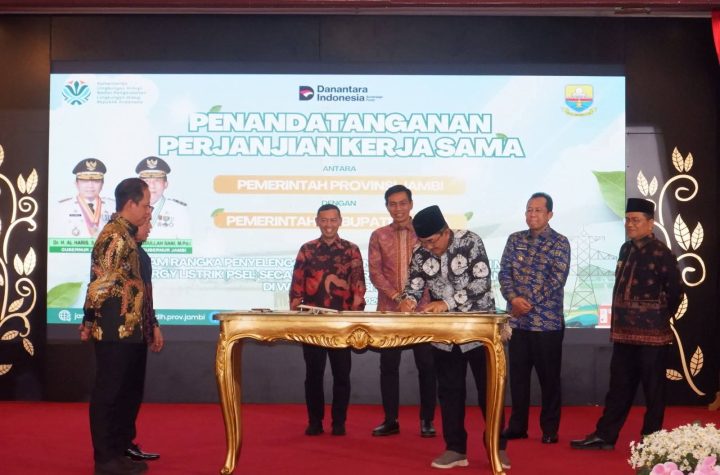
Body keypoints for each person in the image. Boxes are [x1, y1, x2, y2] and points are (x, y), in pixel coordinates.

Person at [397, 205, 509, 470]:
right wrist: (408, 300)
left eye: (432, 241)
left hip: (479, 329)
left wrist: (446, 303)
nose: (428, 247)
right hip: (445, 333)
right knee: (449, 391)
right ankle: (455, 449)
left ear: (445, 231)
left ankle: (497, 447)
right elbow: (414, 285)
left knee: (489, 390)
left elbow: (481, 283)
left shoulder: (470, 241)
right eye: (423, 242)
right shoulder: (420, 251)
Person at [570, 198, 683, 450]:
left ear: (650, 223)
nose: (630, 224)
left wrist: (659, 317)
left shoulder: (661, 252)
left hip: (653, 337)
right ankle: (605, 436)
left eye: (636, 220)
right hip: (623, 334)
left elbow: (676, 291)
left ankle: (652, 441)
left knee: (654, 390)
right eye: (628, 219)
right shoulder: (625, 249)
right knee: (618, 387)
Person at [79, 177, 154, 475]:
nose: (148, 211)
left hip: (130, 329)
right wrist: (88, 319)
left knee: (124, 393)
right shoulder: (114, 236)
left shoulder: (128, 235)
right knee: (108, 394)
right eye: (146, 205)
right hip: (113, 329)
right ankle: (105, 459)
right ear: (131, 203)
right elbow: (99, 285)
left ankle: (117, 451)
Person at [499, 192, 570, 444]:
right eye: (529, 210)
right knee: (518, 379)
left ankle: (549, 429)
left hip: (547, 324)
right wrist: (513, 299)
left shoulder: (560, 242)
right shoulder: (514, 239)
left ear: (550, 214)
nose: (532, 214)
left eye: (538, 210)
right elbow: (504, 273)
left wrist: (525, 303)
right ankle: (518, 426)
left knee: (549, 379)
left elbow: (557, 279)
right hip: (518, 323)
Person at [289, 204, 366, 437]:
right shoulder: (307, 249)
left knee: (341, 375)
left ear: (340, 221)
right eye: (324, 220)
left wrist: (356, 318)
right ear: (317, 221)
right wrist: (296, 316)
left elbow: (358, 286)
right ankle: (315, 422)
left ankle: (339, 422)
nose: (329, 224)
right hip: (312, 323)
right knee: (313, 375)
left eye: (333, 220)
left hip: (342, 324)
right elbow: (296, 286)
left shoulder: (351, 250)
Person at [368, 185, 437, 438]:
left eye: (402, 203)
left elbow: (436, 268)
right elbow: (375, 272)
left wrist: (413, 299)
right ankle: (390, 420)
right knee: (388, 366)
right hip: (390, 311)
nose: (398, 208)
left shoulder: (425, 233)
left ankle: (427, 420)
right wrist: (399, 298)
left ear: (411, 204)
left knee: (427, 365)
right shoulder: (378, 235)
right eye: (392, 204)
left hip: (423, 310)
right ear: (387, 207)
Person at [124, 217, 165, 463]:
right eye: (146, 222)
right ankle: (117, 447)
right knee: (122, 391)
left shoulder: (143, 255)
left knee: (133, 391)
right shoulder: (124, 251)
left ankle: (126, 444)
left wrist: (154, 324)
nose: (150, 227)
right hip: (123, 333)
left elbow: (146, 295)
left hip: (140, 331)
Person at [135, 156, 190, 239]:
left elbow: (185, 242)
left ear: (166, 184)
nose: (151, 186)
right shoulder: (127, 208)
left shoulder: (178, 210)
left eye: (157, 180)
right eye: (146, 181)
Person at [57, 158, 114, 237]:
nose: (90, 186)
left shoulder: (113, 207)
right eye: (84, 181)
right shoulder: (62, 208)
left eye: (96, 181)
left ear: (102, 184)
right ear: (76, 183)